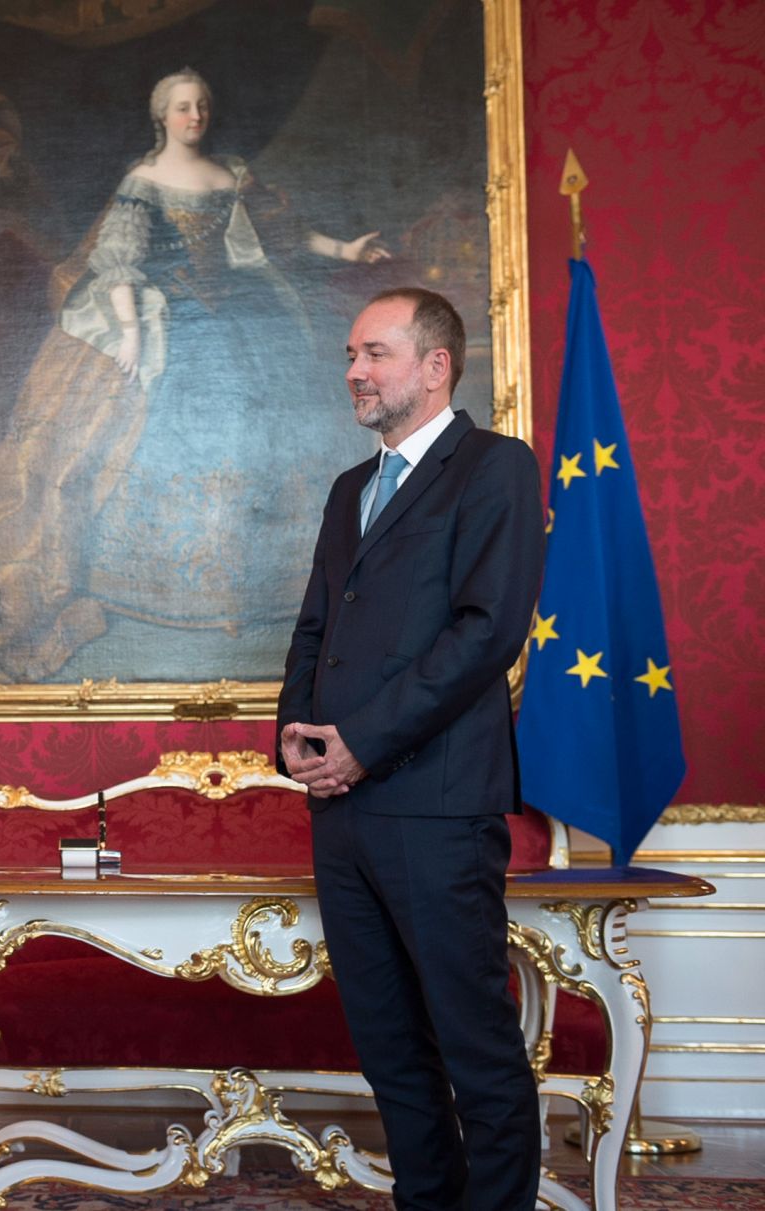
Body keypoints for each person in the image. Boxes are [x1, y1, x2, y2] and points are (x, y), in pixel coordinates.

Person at [0, 67, 387, 683]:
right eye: (181, 107)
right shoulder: (143, 181)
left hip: (241, 320)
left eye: (200, 105)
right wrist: (133, 334)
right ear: (161, 117)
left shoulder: (233, 174)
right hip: (165, 319)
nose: (193, 116)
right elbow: (117, 261)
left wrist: (345, 251)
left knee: (272, 425)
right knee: (132, 431)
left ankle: (264, 586)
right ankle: (151, 584)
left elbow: (280, 236)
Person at [276, 288, 545, 1209]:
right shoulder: (352, 487)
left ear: (435, 365)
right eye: (351, 353)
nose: (355, 370)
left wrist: (361, 743)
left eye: (376, 353)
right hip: (341, 812)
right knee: (390, 1049)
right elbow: (317, 628)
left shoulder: (495, 467)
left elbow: (485, 631)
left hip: (436, 806)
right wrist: (296, 738)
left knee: (476, 1047)